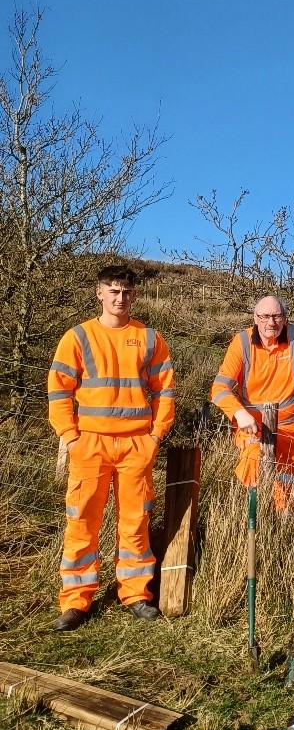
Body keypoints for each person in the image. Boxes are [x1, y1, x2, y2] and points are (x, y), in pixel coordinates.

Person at [47, 264, 175, 630]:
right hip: (89, 444)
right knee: (81, 521)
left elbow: (165, 391)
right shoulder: (78, 337)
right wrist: (71, 437)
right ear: (99, 293)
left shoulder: (149, 338)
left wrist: (155, 436)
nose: (120, 298)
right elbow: (58, 390)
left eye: (127, 292)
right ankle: (76, 601)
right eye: (113, 291)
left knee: (136, 521)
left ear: (134, 295)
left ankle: (135, 594)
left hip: (136, 445)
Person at [210, 296, 294, 513]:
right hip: (253, 428)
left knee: (289, 484)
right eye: (265, 316)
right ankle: (253, 521)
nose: (271, 322)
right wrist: (239, 413)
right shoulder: (242, 342)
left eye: (277, 316)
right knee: (253, 466)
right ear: (255, 318)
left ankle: (284, 525)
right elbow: (219, 388)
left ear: (285, 318)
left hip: (293, 428)